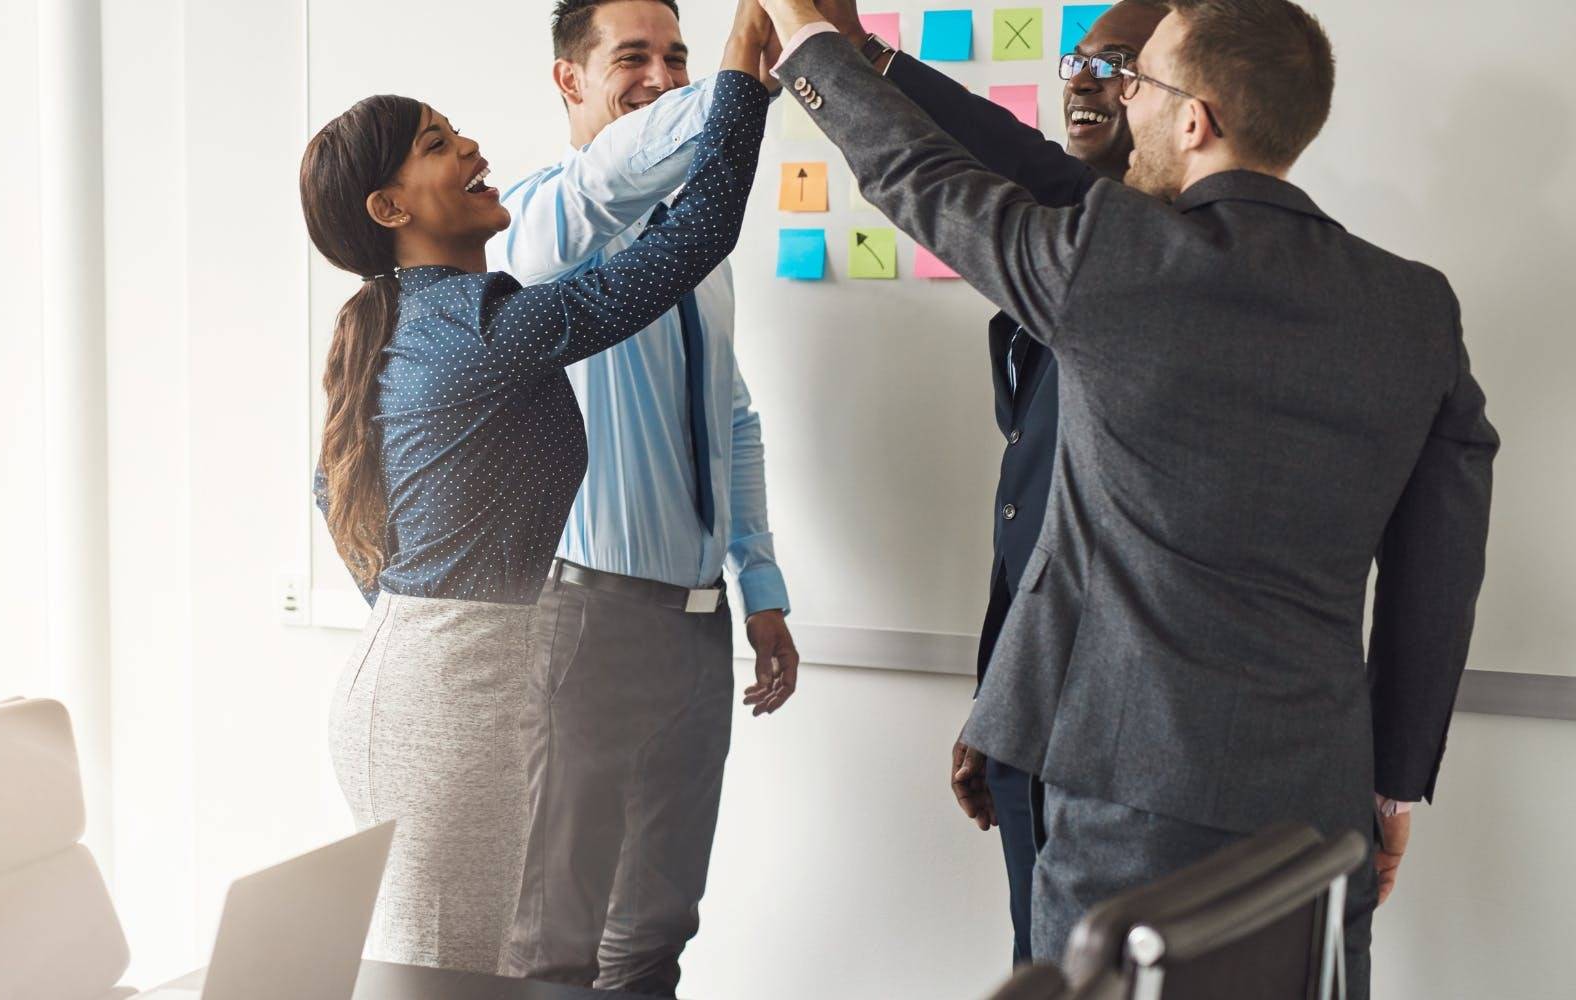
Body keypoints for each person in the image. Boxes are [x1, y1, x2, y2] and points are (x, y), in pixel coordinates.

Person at [759, 0, 1499, 993]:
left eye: (1137, 83)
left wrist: (804, 38)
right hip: (1318, 803)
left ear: (1195, 119)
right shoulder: (1414, 308)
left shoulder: (1119, 259)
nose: (1119, 102)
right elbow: (1440, 556)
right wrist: (1392, 776)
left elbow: (918, 178)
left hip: (1127, 798)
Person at [300, 0, 776, 973]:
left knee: (484, 964)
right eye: (437, 142)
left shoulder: (424, 319)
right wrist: (742, 68)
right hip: (454, 697)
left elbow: (328, 487)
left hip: (441, 674)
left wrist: (412, 608)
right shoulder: (484, 319)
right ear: (390, 209)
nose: (469, 142)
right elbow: (693, 236)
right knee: (464, 967)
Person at [800, 0, 1168, 964]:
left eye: (1118, 63)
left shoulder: (1164, 264)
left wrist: (820, 51)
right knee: (1035, 966)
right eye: (1079, 56)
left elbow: (956, 164)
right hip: (1029, 716)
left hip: (1123, 755)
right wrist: (999, 702)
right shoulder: (1074, 244)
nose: (1085, 78)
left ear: (1186, 102)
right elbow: (1040, 521)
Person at [484, 2, 797, 993]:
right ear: (568, 80)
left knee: (657, 930)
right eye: (632, 58)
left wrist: (762, 583)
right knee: (556, 940)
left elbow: (733, 415)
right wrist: (741, 77)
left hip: (698, 633)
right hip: (581, 626)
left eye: (678, 56)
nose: (660, 76)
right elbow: (612, 172)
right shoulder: (541, 228)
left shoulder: (698, 253)